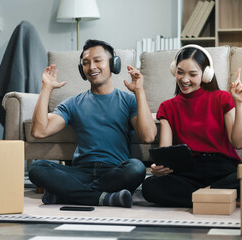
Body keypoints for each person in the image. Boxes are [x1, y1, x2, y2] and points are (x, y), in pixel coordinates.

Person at [28, 39, 157, 208]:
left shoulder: (129, 100)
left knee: (136, 168)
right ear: (82, 70)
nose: (91, 67)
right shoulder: (72, 103)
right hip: (80, 172)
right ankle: (103, 198)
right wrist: (46, 88)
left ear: (113, 64)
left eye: (98, 61)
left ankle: (67, 195)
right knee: (37, 168)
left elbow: (148, 136)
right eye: (86, 63)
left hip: (115, 171)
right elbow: (39, 132)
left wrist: (139, 91)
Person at [141, 44, 242, 207]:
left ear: (205, 75)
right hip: (189, 171)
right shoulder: (168, 107)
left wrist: (239, 103)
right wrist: (158, 168)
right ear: (173, 70)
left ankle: (203, 196)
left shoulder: (222, 98)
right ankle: (215, 195)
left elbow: (238, 143)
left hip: (222, 168)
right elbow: (165, 151)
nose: (184, 79)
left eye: (192, 74)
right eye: (180, 72)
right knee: (149, 188)